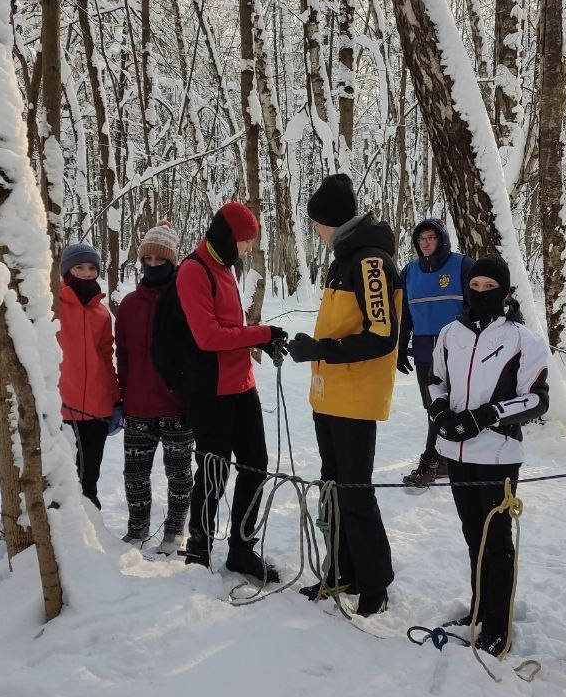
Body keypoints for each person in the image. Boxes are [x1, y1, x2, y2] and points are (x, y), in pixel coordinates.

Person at [287, 174, 400, 617]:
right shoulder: (344, 258)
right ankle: (341, 571)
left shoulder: (369, 260)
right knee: (333, 489)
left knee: (354, 491)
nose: (315, 229)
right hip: (330, 395)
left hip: (355, 397)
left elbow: (381, 335)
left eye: (317, 222)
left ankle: (375, 582)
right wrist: (315, 349)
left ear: (331, 221)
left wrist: (321, 351)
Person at [427, 255, 549, 657]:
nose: (481, 294)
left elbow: (537, 399)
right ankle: (480, 608)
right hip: (456, 451)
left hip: (498, 453)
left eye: (489, 288)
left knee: (495, 541)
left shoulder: (522, 339)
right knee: (471, 534)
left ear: (504, 291)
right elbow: (435, 380)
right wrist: (441, 412)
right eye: (475, 287)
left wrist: (487, 416)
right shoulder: (450, 333)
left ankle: (499, 625)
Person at [178, 201, 288, 584]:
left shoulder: (225, 267)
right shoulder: (193, 271)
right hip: (211, 391)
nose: (247, 249)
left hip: (242, 385)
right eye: (244, 242)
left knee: (256, 464)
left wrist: (262, 343)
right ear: (227, 236)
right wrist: (262, 333)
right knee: (213, 471)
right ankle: (199, 548)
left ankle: (241, 549)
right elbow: (207, 337)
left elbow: (229, 328)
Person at [115, 222, 194, 553]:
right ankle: (137, 529)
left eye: (160, 259)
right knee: (134, 476)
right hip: (137, 406)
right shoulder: (129, 304)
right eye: (146, 257)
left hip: (176, 407)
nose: (152, 264)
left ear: (172, 262)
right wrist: (120, 398)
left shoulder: (186, 300)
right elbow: (123, 354)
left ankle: (175, 530)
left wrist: (193, 398)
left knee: (178, 474)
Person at [398, 218, 473, 488]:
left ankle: (432, 460)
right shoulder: (409, 272)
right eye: (421, 239)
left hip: (457, 350)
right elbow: (404, 314)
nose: (426, 243)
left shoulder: (462, 266)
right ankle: (444, 459)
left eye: (431, 237)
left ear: (441, 239)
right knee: (432, 407)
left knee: (450, 405)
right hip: (423, 351)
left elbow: (476, 306)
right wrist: (400, 347)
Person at [58, 242, 120, 510]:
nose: (85, 272)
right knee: (62, 478)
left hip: (97, 409)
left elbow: (107, 358)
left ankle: (91, 540)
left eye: (91, 268)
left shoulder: (101, 312)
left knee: (89, 479)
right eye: (79, 267)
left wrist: (115, 399)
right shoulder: (53, 305)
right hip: (61, 408)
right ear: (66, 270)